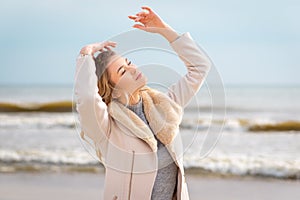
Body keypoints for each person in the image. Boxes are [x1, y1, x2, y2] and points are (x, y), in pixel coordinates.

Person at [74, 6, 211, 200]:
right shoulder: (107, 128)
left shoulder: (165, 106)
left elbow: (200, 67)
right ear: (112, 90)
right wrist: (85, 55)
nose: (132, 69)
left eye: (128, 62)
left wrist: (164, 30)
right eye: (122, 71)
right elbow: (87, 98)